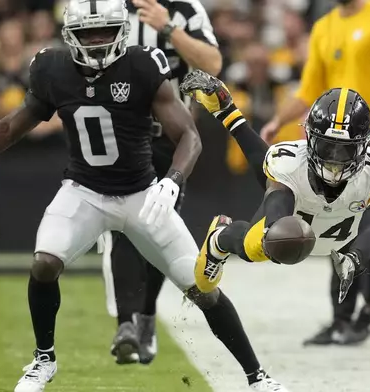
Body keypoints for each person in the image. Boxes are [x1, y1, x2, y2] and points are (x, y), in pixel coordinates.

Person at [0, 2, 288, 391]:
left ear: (121, 30)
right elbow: (9, 128)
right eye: (88, 33)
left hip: (141, 193)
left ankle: (258, 378)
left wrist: (173, 179)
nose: (97, 41)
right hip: (84, 192)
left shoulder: (143, 65)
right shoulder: (52, 70)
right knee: (43, 263)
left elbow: (188, 135)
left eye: (105, 31)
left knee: (202, 289)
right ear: (70, 35)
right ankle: (43, 361)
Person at [180, 70, 370, 320]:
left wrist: (356, 257)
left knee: (273, 181)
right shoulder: (290, 161)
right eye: (327, 146)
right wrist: (274, 230)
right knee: (255, 249)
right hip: (295, 212)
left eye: (345, 150)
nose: (334, 159)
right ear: (309, 137)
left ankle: (227, 111)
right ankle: (219, 239)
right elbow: (277, 195)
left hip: (341, 234)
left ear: (365, 145)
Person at [259, 0, 370, 345]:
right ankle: (343, 316)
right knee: (334, 223)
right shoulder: (325, 26)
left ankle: (366, 309)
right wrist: (278, 120)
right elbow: (309, 89)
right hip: (332, 141)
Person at [97, 0, 222, 365]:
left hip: (168, 135)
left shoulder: (182, 8)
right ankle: (126, 324)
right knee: (120, 226)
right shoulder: (102, 6)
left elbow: (213, 64)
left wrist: (169, 29)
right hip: (117, 133)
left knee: (155, 225)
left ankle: (146, 314)